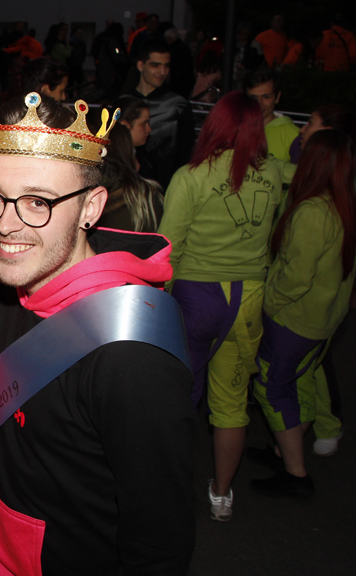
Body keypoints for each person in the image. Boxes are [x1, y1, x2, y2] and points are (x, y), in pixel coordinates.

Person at [0, 91, 195, 574]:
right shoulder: (1, 290)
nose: (6, 225)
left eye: (38, 201)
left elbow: (160, 543)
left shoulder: (131, 355)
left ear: (93, 207)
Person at [157, 92, 286, 522]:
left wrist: (158, 306)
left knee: (177, 398)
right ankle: (222, 495)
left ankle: (163, 491)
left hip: (196, 299)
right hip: (248, 298)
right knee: (232, 402)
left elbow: (168, 249)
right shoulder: (272, 174)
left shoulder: (191, 177)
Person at [249, 129, 356, 499]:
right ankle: (287, 450)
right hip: (324, 320)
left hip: (295, 320)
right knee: (300, 382)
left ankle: (296, 474)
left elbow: (295, 279)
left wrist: (266, 306)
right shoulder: (345, 205)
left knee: (271, 387)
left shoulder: (313, 211)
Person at [125, 40, 195, 189]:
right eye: (155, 65)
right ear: (140, 65)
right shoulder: (123, 102)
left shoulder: (178, 106)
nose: (162, 72)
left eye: (167, 66)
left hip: (169, 187)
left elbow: (187, 153)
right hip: (128, 186)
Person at [99, 125, 164, 232]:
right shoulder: (148, 197)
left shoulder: (81, 195)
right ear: (125, 154)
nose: (149, 129)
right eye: (133, 151)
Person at [243, 67, 299, 161]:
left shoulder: (293, 135)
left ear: (277, 97)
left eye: (266, 97)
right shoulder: (234, 127)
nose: (259, 103)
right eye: (253, 98)